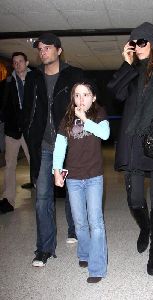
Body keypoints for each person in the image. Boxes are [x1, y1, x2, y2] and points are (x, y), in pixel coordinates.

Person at [107, 22, 153, 276]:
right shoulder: (131, 73)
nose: (137, 47)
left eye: (142, 42)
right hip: (133, 146)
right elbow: (114, 94)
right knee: (135, 199)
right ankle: (145, 227)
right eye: (134, 42)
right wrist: (126, 64)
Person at [23, 33, 83, 267]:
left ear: (59, 50)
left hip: (69, 144)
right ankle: (44, 249)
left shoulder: (74, 75)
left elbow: (84, 104)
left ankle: (74, 229)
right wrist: (29, 134)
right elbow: (30, 110)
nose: (43, 51)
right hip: (44, 147)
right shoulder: (34, 79)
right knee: (42, 199)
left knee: (72, 191)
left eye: (48, 47)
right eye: (40, 48)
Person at [53, 80, 110, 283]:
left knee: (96, 223)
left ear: (93, 97)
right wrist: (57, 171)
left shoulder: (99, 113)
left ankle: (97, 268)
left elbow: (104, 134)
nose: (81, 99)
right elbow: (60, 147)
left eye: (86, 94)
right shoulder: (67, 118)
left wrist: (85, 119)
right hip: (74, 179)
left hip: (94, 177)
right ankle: (84, 254)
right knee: (79, 223)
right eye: (77, 95)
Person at [0, 52, 32, 214]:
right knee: (10, 165)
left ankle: (44, 194)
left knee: (35, 162)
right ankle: (8, 200)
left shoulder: (36, 80)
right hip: (12, 130)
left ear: (26, 63)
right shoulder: (8, 82)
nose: (18, 64)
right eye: (15, 62)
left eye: (20, 61)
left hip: (30, 129)